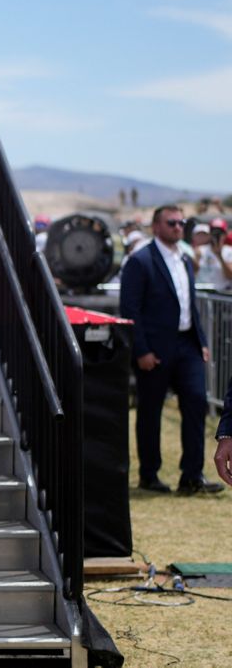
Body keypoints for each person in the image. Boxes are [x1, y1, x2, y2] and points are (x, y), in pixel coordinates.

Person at [119, 205, 224, 495]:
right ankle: (149, 474)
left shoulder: (185, 260)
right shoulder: (140, 262)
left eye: (181, 223)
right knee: (150, 411)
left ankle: (192, 475)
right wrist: (140, 350)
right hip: (154, 349)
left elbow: (190, 304)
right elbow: (130, 310)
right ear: (156, 227)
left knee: (195, 403)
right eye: (172, 223)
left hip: (186, 345)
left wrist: (201, 341)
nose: (178, 227)